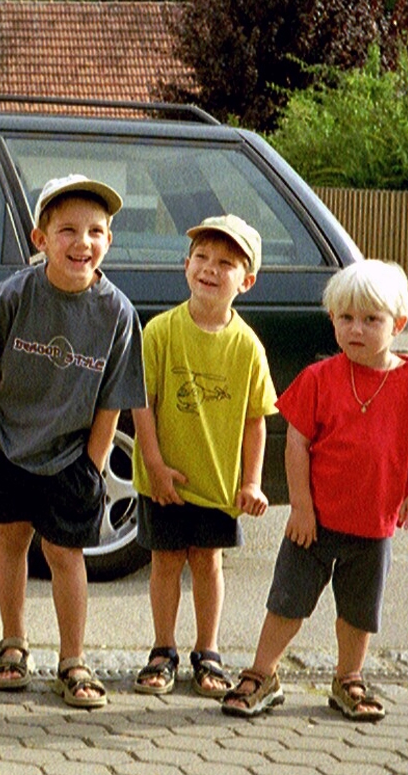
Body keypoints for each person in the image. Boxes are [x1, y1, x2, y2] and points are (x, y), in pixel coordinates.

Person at [221, 259, 408, 721]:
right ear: (332, 320)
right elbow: (296, 442)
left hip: (374, 527)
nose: (356, 329)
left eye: (371, 320)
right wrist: (300, 506)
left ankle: (348, 677)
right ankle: (263, 671)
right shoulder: (320, 377)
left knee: (358, 611)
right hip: (312, 523)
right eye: (346, 318)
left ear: (397, 324)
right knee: (287, 602)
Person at [0, 175, 146, 709]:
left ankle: (73, 660)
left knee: (65, 552)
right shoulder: (15, 294)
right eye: (67, 231)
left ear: (108, 241)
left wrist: (94, 460)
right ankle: (12, 644)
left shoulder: (117, 313)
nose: (81, 243)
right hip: (8, 441)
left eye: (95, 231)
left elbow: (114, 396)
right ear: (40, 239)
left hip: (70, 454)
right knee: (11, 540)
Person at [130, 214, 276, 699]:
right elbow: (142, 402)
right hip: (165, 478)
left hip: (217, 481)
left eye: (226, 263)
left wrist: (251, 482)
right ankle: (162, 649)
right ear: (185, 265)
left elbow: (257, 419)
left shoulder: (248, 347)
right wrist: (153, 465)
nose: (211, 269)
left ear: (247, 280)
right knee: (165, 562)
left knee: (208, 562)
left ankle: (207, 652)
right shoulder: (160, 332)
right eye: (202, 258)